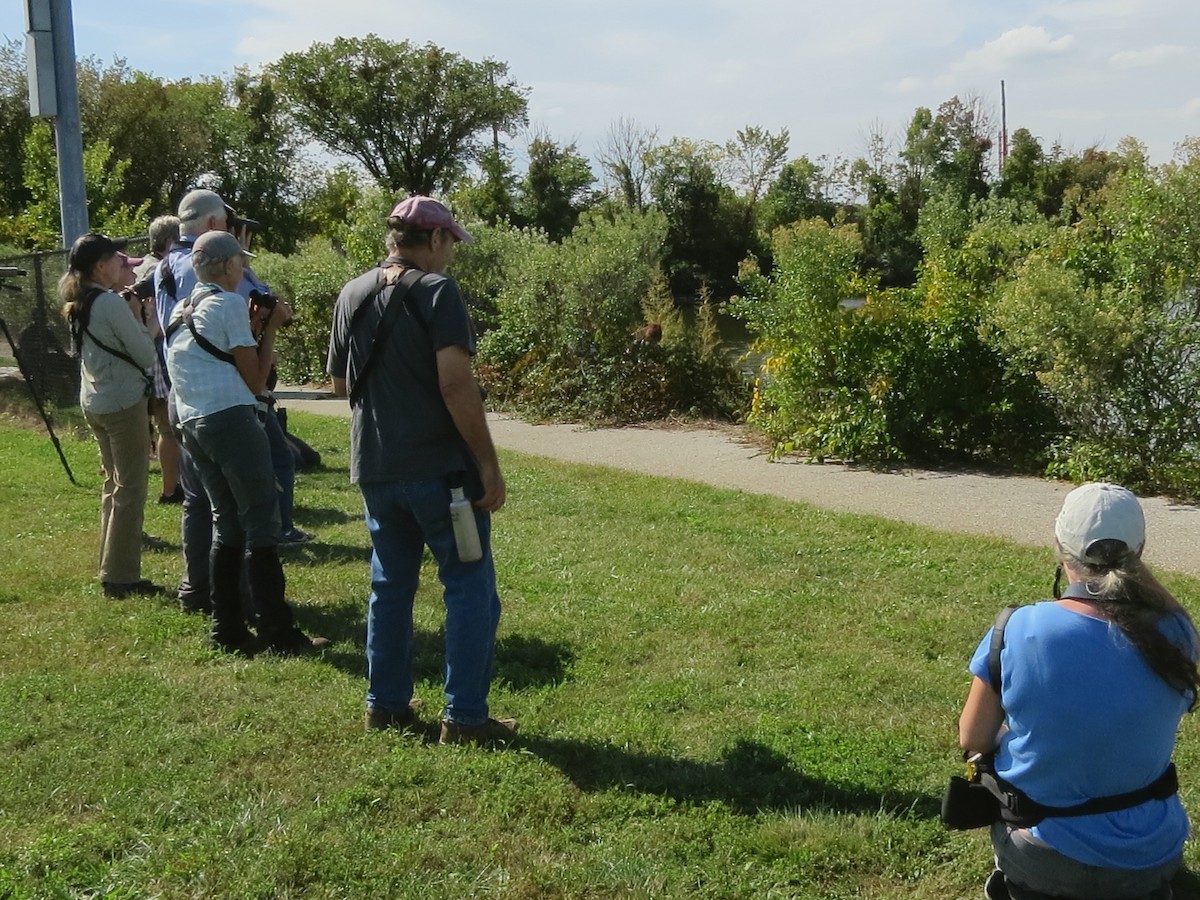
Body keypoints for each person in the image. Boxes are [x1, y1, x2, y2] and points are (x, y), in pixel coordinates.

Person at [327, 195, 515, 745]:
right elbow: (456, 383)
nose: (452, 254)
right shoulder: (438, 293)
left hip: (377, 469)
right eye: (451, 242)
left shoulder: (351, 293)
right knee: (470, 588)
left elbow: (340, 384)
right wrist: (488, 464)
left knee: (390, 586)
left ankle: (384, 706)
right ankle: (465, 718)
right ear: (433, 240)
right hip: (442, 474)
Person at [959, 482, 1198, 900]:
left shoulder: (1017, 629)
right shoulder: (1177, 632)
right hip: (1155, 853)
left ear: (1059, 547)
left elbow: (972, 739)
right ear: (1140, 550)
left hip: (1047, 855)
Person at [164, 230, 327, 656]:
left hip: (193, 425)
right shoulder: (230, 303)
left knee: (227, 523)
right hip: (232, 420)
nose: (246, 269)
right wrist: (269, 330)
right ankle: (278, 631)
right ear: (226, 266)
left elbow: (215, 358)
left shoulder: (182, 310)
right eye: (242, 262)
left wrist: (250, 332)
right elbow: (256, 382)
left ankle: (228, 629)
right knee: (261, 523)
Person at [60, 233, 163, 599]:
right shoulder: (109, 303)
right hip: (121, 403)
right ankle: (121, 578)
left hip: (96, 402)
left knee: (113, 487)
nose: (123, 264)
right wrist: (150, 322)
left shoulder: (81, 300)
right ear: (100, 267)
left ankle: (109, 565)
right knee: (130, 490)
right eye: (116, 259)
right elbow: (144, 353)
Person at [134, 215, 183, 505]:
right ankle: (170, 488)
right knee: (168, 427)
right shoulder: (159, 270)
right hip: (155, 358)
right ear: (170, 242)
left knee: (157, 427)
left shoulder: (143, 266)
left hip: (143, 358)